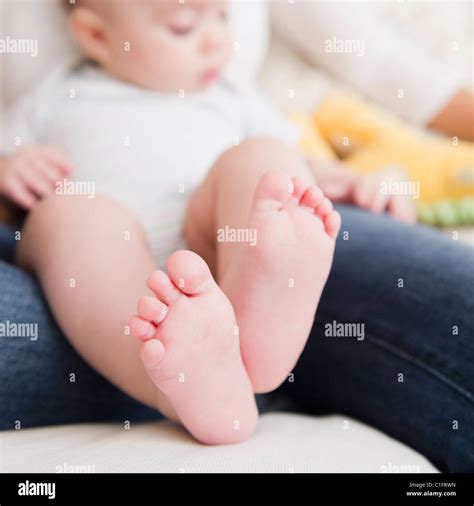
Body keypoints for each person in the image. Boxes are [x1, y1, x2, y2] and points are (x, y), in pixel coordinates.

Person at [0, 0, 472, 470]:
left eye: (223, 17)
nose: (216, 40)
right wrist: (11, 169)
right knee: (66, 215)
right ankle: (185, 383)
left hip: (214, 245)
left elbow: (305, 160)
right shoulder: (54, 95)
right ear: (97, 36)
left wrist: (346, 181)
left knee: (264, 162)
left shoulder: (233, 94)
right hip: (116, 278)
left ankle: (260, 324)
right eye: (184, 28)